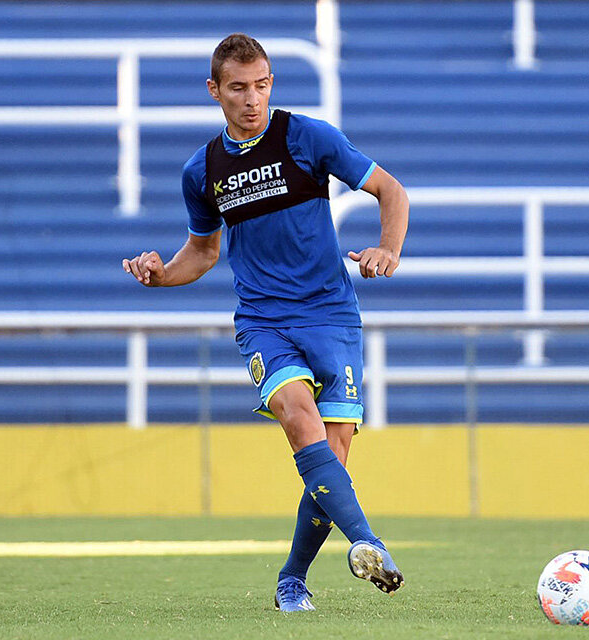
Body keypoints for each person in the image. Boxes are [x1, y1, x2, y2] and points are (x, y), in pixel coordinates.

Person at [122, 33, 409, 612]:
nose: (252, 99)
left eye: (261, 85)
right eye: (237, 88)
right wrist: (160, 274)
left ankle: (292, 579)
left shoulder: (309, 138)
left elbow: (390, 190)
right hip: (264, 320)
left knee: (334, 460)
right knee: (298, 417)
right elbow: (201, 253)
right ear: (214, 91)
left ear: (271, 83)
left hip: (331, 316)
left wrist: (387, 249)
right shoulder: (202, 171)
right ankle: (366, 542)